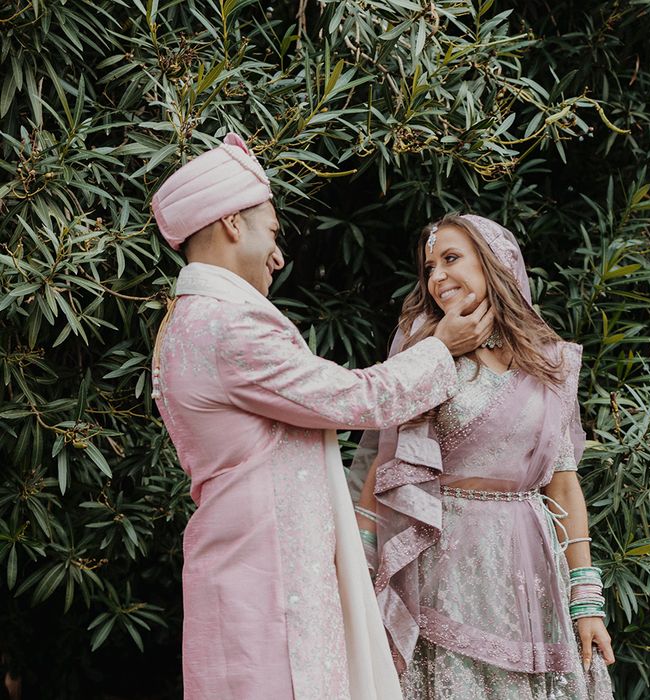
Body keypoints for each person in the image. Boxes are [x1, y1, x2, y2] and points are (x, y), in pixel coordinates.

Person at [149, 134, 494, 700]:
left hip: (241, 570)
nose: (279, 256)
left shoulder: (185, 323)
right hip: (267, 579)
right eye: (273, 232)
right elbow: (356, 399)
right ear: (233, 224)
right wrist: (440, 347)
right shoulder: (229, 327)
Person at [353, 214, 616, 699]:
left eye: (451, 259)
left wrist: (586, 599)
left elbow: (562, 483)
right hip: (444, 565)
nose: (436, 277)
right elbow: (384, 464)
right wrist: (364, 571)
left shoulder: (548, 360)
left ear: (495, 264)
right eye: (429, 267)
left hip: (529, 566)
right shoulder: (427, 350)